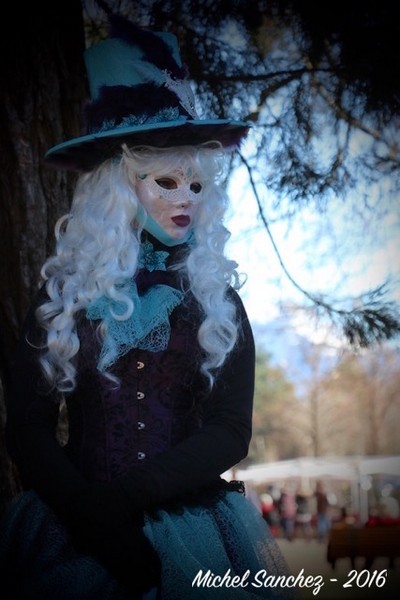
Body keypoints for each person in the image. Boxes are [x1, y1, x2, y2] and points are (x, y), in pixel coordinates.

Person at [0, 13, 294, 600]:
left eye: (195, 185)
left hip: (200, 534)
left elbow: (231, 431)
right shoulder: (62, 298)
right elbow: (27, 430)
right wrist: (91, 517)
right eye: (166, 182)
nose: (186, 198)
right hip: (69, 528)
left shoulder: (217, 299)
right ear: (118, 188)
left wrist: (126, 499)